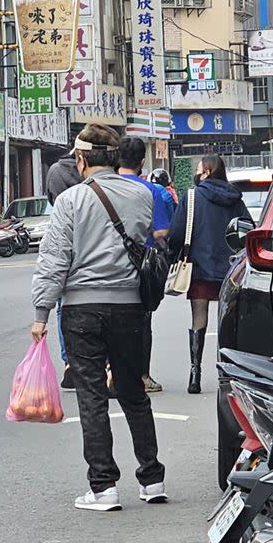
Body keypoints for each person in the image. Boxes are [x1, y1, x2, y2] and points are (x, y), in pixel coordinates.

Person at [31, 124, 167, 511]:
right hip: (130, 306)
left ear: (81, 159)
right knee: (133, 392)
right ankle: (152, 478)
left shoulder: (71, 201)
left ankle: (103, 487)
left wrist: (41, 313)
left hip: (82, 309)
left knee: (92, 397)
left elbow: (54, 261)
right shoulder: (142, 194)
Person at [168, 154, 251, 394]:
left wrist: (175, 253)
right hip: (232, 268)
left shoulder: (192, 197)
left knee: (198, 318)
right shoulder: (236, 199)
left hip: (200, 266)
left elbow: (176, 233)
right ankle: (228, 374)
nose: (196, 172)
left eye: (199, 169)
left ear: (206, 172)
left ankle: (195, 374)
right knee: (229, 321)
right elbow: (247, 229)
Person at [116, 138, 171, 394]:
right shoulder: (153, 191)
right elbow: (160, 231)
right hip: (139, 264)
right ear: (141, 162)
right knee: (141, 321)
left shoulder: (98, 188)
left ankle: (111, 373)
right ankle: (142, 376)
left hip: (103, 264)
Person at [45, 143, 84, 389]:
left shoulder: (54, 172)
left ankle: (69, 360)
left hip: (62, 239)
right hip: (90, 240)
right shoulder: (89, 174)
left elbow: (51, 199)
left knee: (62, 306)